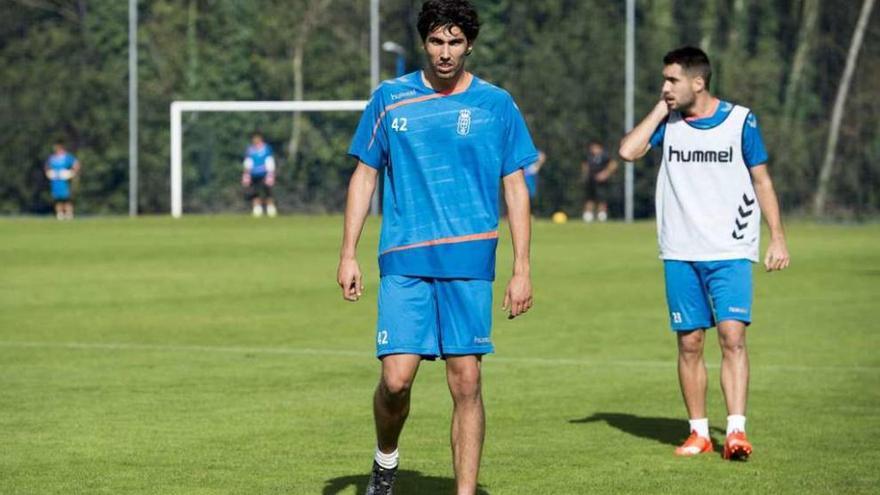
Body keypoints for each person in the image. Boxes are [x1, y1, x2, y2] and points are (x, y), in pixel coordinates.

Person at [337, 1, 537, 493]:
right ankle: (386, 458)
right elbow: (365, 175)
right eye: (435, 42)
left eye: (454, 42)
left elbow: (515, 186)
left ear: (469, 44)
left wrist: (522, 268)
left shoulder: (497, 104)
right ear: (423, 43)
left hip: (470, 259)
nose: (444, 52)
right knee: (397, 381)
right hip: (405, 257)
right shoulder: (389, 98)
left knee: (466, 381)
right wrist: (348, 253)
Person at [619, 46, 790, 460]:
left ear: (698, 81)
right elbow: (628, 151)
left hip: (730, 248)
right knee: (690, 342)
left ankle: (735, 431)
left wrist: (778, 237)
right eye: (664, 80)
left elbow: (762, 181)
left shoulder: (740, 121)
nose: (665, 87)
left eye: (672, 80)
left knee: (733, 337)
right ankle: (698, 432)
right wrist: (661, 109)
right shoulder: (669, 121)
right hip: (679, 250)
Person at [241, 132, 277, 217]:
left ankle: (270, 209)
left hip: (265, 173)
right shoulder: (250, 149)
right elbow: (248, 162)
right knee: (255, 192)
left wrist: (271, 173)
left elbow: (269, 160)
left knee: (267, 192)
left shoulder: (266, 149)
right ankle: (257, 209)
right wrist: (246, 175)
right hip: (254, 174)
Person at [580, 141, 617, 223]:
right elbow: (585, 165)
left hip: (602, 182)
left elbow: (613, 164)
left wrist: (605, 173)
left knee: (602, 199)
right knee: (589, 198)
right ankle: (588, 216)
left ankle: (602, 216)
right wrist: (584, 175)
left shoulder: (605, 156)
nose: (593, 150)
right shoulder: (588, 156)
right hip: (591, 180)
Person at [44, 141, 81, 220]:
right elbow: (47, 166)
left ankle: (69, 213)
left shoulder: (67, 157)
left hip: (65, 181)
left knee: (67, 198)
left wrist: (72, 173)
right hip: (56, 181)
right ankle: (59, 214)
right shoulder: (52, 158)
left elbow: (76, 164)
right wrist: (48, 173)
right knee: (58, 199)